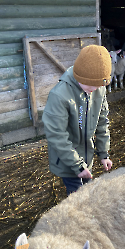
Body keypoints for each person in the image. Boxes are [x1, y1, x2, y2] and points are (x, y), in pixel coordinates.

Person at [42, 44, 113, 195]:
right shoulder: (60, 96)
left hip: (87, 156)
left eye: (99, 85)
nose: (94, 89)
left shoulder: (98, 89)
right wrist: (77, 166)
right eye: (91, 85)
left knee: (87, 190)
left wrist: (103, 153)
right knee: (77, 196)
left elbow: (102, 121)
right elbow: (57, 134)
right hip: (67, 160)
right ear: (80, 76)